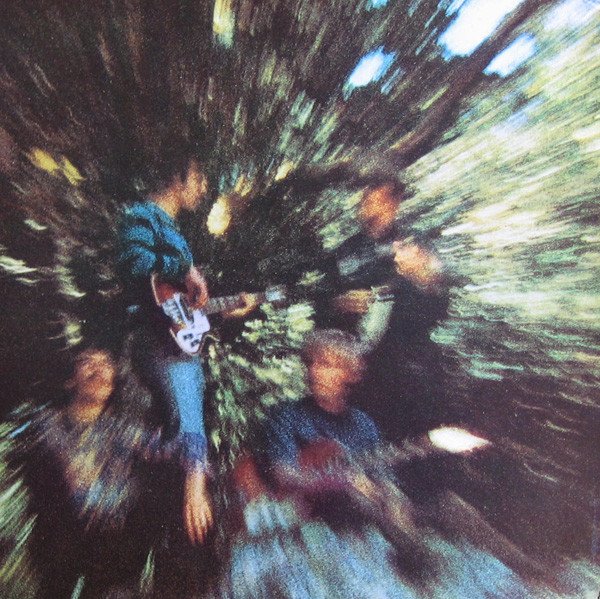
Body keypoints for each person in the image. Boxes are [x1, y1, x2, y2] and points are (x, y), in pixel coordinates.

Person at [23, 347, 156, 598]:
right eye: (87, 361)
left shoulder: (126, 429)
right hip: (60, 547)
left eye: (106, 363)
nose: (98, 369)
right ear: (70, 380)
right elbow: (69, 473)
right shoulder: (47, 424)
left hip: (114, 555)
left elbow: (167, 450)